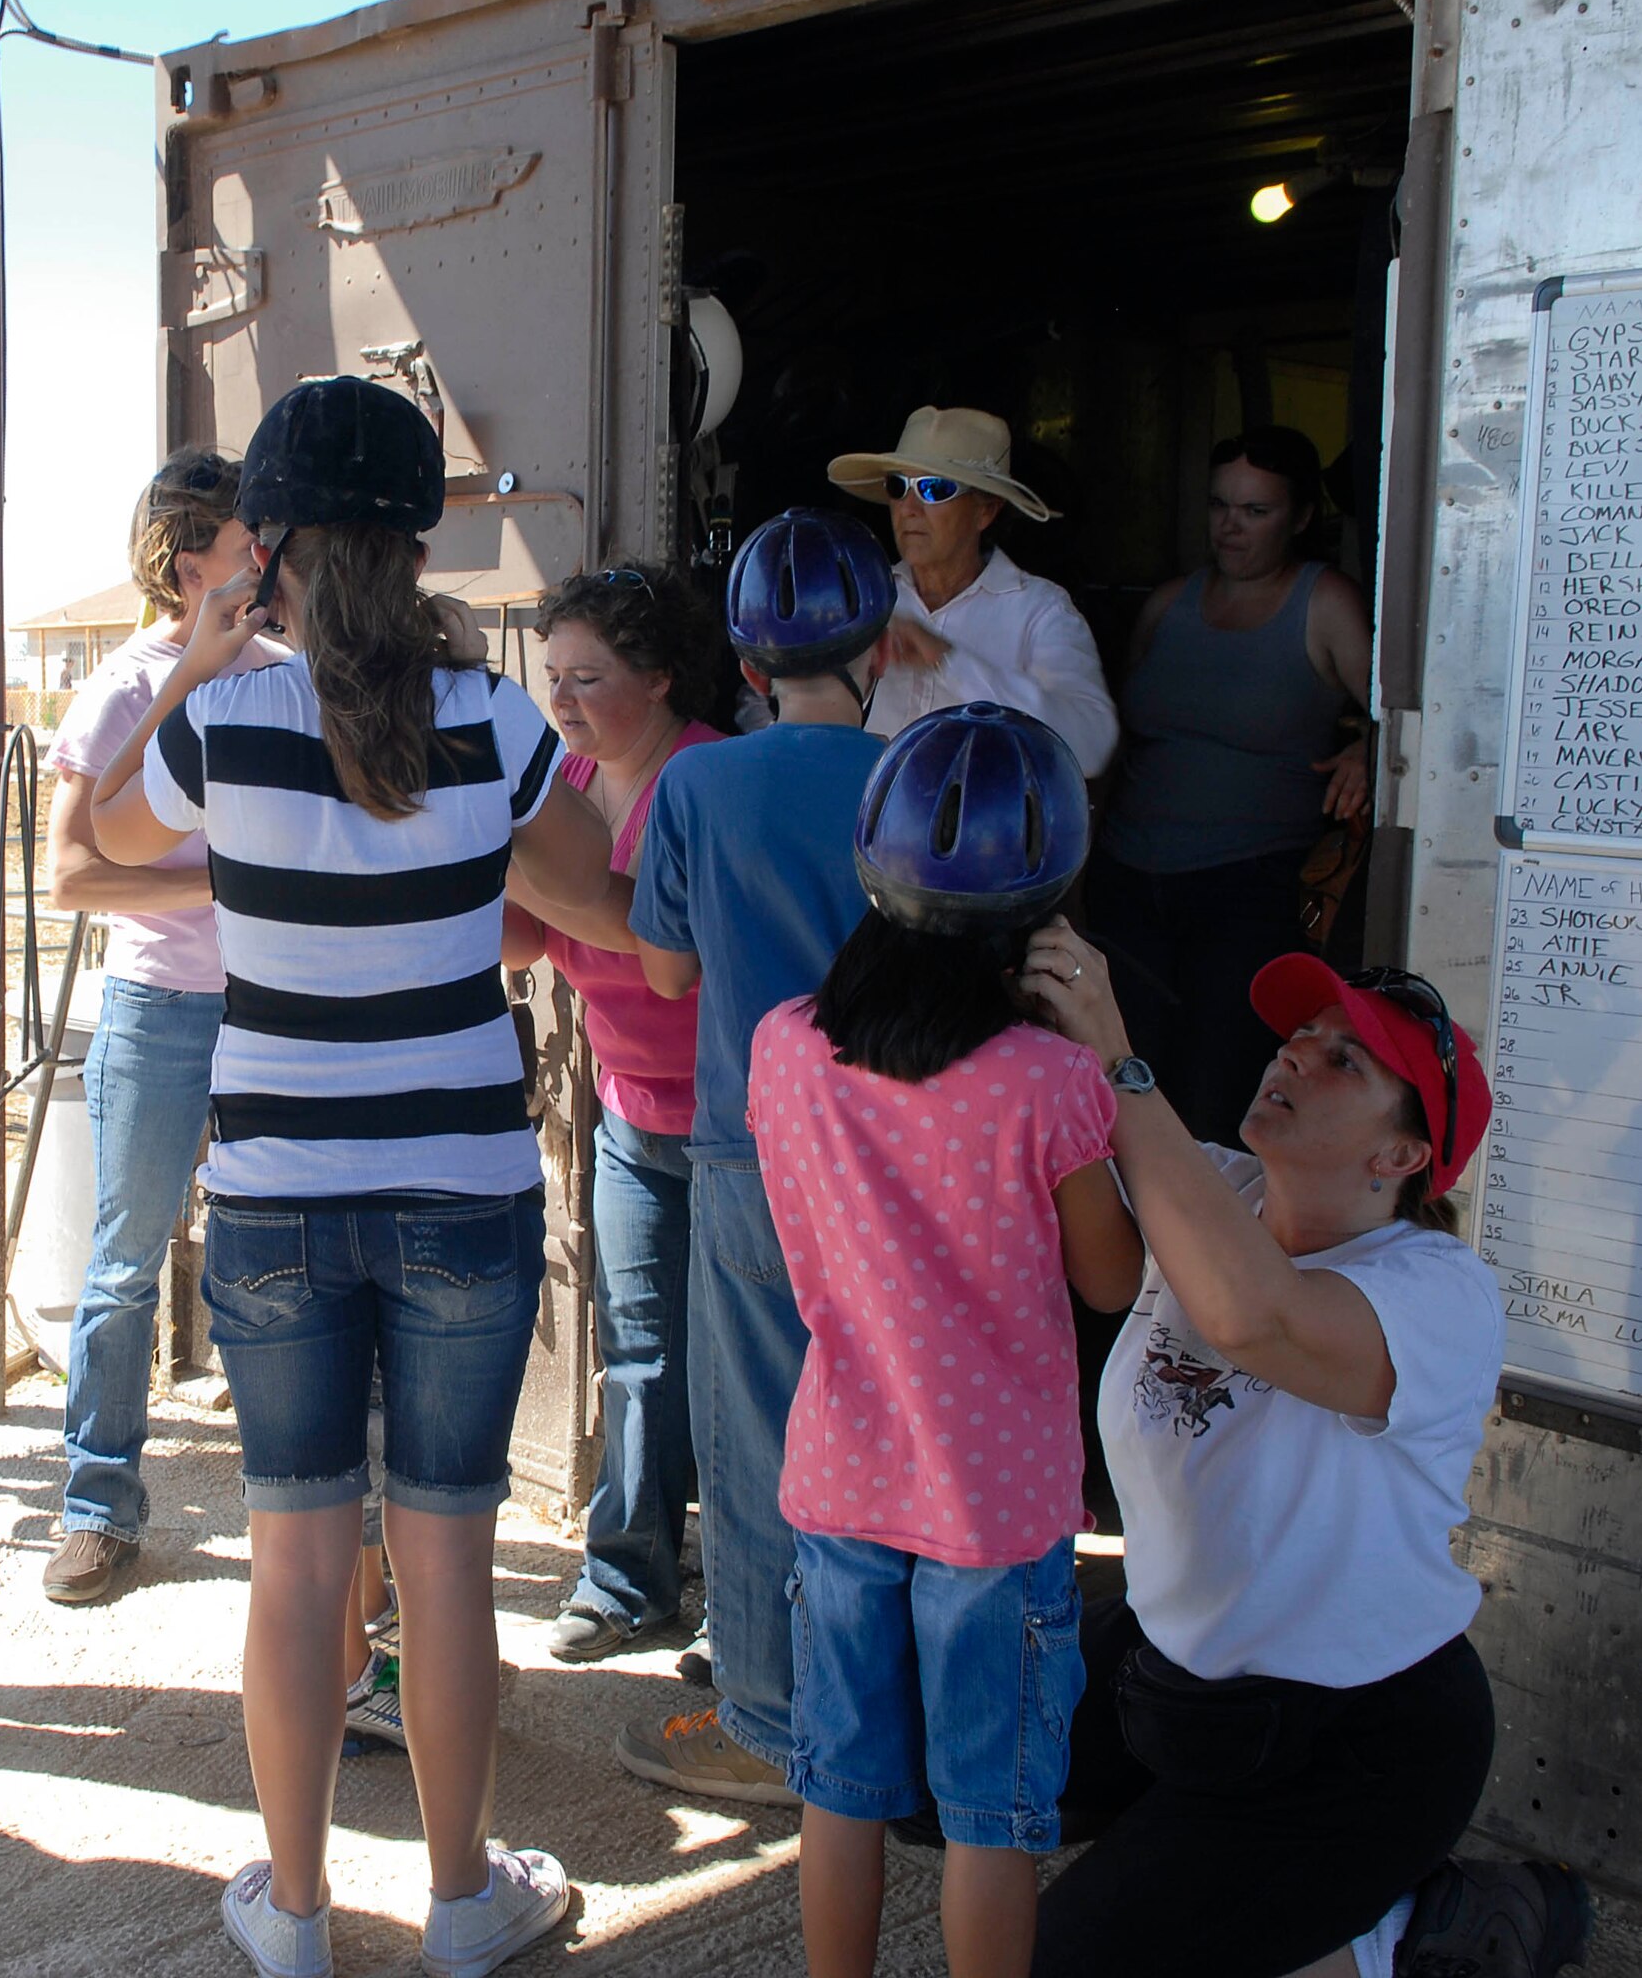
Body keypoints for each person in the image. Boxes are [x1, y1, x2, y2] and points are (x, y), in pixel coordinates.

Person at [90, 376, 611, 1978]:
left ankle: (298, 1917)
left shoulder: (231, 718)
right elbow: (601, 909)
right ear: (417, 542)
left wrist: (194, 649)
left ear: (277, 547)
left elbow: (96, 838)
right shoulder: (500, 721)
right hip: (462, 1181)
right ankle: (465, 1901)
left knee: (295, 1559)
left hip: (276, 1195)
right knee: (445, 1556)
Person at [1008, 929, 1592, 1978]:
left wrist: (1119, 1059)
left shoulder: (1437, 1290)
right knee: (922, 1767)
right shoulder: (1215, 1187)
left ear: (1401, 1156)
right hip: (1178, 1677)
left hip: (1353, 1737)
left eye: (1343, 1062)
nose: (1292, 1055)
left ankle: (1408, 1928)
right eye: (1301, 1037)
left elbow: (1251, 1316)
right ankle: (1212, 1868)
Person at [748, 703, 1145, 1978]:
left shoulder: (784, 1048)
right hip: (996, 1500)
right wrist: (1109, 1054)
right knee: (991, 1813)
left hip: (840, 1473)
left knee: (842, 1787)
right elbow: (1109, 1278)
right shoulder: (1052, 1080)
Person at [611, 508, 894, 1807]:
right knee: (897, 1429)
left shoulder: (701, 784)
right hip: (907, 1154)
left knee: (758, 1441)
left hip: (751, 1150)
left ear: (740, 655)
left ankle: (773, 1722)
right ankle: (886, 1699)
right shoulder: (916, 775)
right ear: (879, 645)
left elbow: (664, 966)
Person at [42, 448, 280, 1605]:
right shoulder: (121, 688)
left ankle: (292, 1510)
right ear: (194, 564)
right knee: (126, 1263)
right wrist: (220, 887)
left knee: (269, 1259)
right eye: (248, 541)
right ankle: (96, 1505)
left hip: (275, 1014)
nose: (268, 557)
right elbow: (71, 877)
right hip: (158, 1012)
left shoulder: (289, 672)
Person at [499, 563, 724, 1662]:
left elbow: (674, 953)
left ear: (663, 674)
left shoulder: (712, 776)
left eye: (590, 676)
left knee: (734, 1359)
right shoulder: (570, 782)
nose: (564, 700)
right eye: (553, 676)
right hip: (634, 1110)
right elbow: (523, 942)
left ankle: (741, 1598)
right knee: (637, 1350)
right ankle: (627, 1577)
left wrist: (542, 873)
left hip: (741, 1120)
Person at [1086, 423, 1374, 1147]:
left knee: (1215, 1088)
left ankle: (1202, 1251)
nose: (1229, 527)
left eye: (1255, 511)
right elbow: (1113, 738)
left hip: (1249, 884)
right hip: (1129, 877)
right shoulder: (1168, 604)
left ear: (1301, 517)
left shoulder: (1324, 602)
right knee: (1120, 1081)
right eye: (1220, 506)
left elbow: (1408, 715)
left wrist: (1371, 750)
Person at [827, 405, 1118, 779]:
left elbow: (1090, 743)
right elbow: (767, 696)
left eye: (934, 488)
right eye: (898, 486)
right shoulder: (861, 595)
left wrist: (948, 660)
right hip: (854, 831)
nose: (909, 509)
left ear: (986, 512)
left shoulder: (1041, 610)